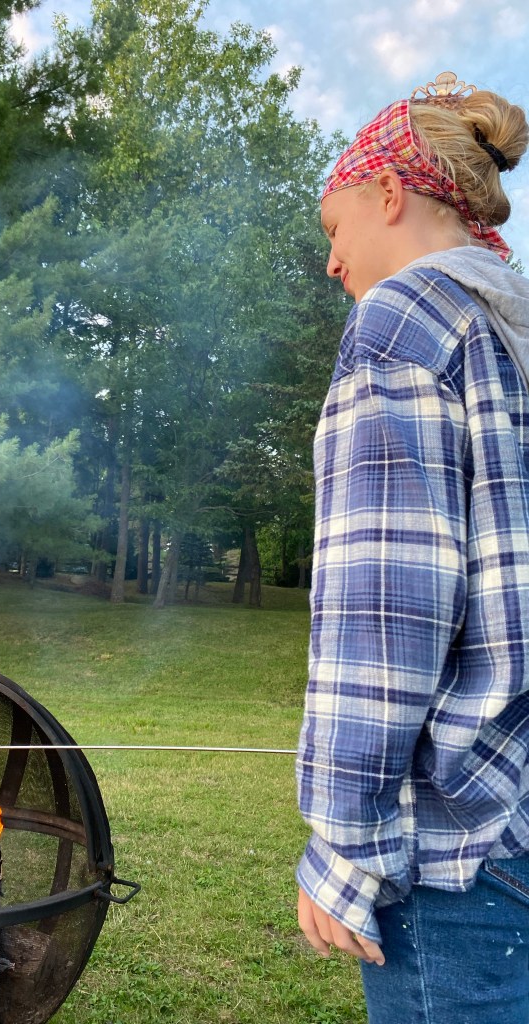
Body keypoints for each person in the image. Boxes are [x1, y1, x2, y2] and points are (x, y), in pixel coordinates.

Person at [295, 71, 529, 1023]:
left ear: (389, 192)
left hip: (458, 861)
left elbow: (387, 611)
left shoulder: (402, 323)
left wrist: (346, 848)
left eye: (334, 228)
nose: (331, 262)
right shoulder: (506, 330)